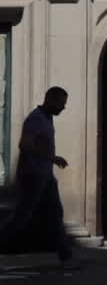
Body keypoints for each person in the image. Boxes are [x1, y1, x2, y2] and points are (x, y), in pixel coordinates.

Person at [0, 86, 79, 269]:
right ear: (50, 99)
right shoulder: (36, 119)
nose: (63, 108)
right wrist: (53, 158)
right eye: (61, 103)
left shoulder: (47, 118)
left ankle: (66, 258)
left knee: (55, 215)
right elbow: (25, 145)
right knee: (21, 217)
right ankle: (66, 257)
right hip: (33, 177)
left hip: (45, 177)